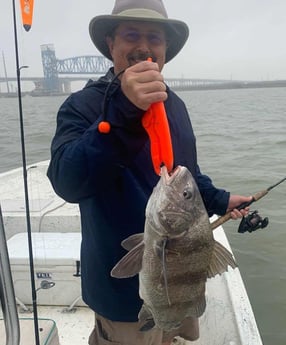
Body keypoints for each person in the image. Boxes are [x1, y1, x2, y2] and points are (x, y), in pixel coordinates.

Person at [47, 0, 251, 344]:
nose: (144, 47)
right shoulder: (82, 106)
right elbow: (67, 182)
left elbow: (186, 174)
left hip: (182, 276)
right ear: (111, 44)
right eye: (131, 35)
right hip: (121, 291)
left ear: (165, 50)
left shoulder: (175, 106)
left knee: (170, 335)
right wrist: (125, 110)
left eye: (154, 38)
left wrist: (221, 199)